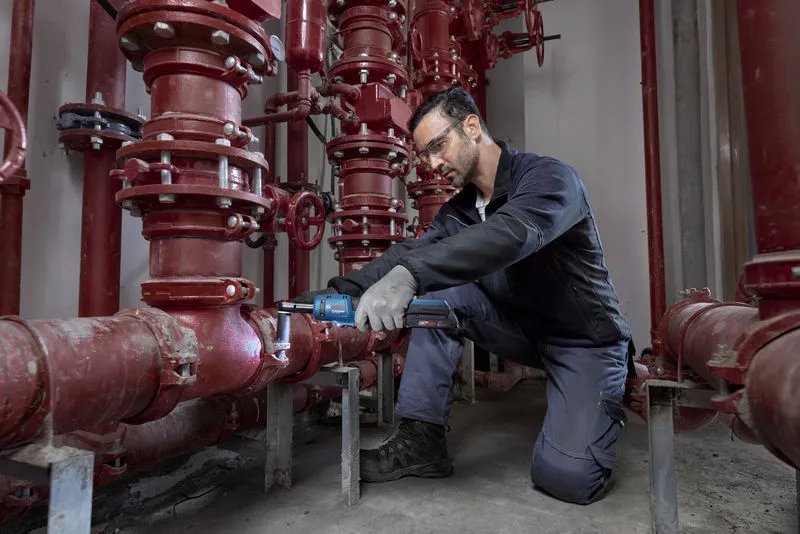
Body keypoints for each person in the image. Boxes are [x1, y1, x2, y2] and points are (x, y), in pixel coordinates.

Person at [296, 87, 632, 504]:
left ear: (471, 126)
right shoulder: (461, 211)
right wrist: (337, 292)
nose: (433, 164)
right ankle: (422, 441)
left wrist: (411, 275)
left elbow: (509, 236)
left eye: (438, 146)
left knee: (566, 478)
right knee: (442, 295)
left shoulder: (548, 178)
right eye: (425, 156)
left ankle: (599, 398)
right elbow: (414, 252)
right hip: (523, 334)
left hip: (584, 341)